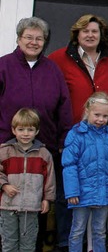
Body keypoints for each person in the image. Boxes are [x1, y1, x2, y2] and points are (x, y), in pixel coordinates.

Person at [0, 17, 73, 250]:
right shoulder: (3, 66)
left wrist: (63, 140)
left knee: (37, 209)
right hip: (7, 148)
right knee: (5, 206)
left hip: (43, 149)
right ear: (19, 39)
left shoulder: (53, 70)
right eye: (29, 37)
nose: (34, 42)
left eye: (39, 38)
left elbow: (64, 105)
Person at [62, 93, 108, 252]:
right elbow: (69, 165)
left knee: (99, 231)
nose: (100, 119)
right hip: (81, 194)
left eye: (105, 116)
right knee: (77, 230)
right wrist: (72, 192)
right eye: (97, 114)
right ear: (87, 111)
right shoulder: (76, 134)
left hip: (103, 192)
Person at [0, 108, 55, 252]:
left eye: (30, 130)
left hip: (31, 208)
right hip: (8, 207)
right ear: (14, 130)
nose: (25, 134)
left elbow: (50, 179)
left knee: (28, 244)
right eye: (21, 129)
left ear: (36, 131)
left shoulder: (44, 154)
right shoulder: (5, 151)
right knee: (9, 243)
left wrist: (47, 199)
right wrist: (4, 185)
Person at [49, 14, 108, 124]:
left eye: (94, 31)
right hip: (69, 130)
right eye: (85, 31)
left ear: (101, 35)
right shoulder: (58, 58)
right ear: (77, 35)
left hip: (102, 131)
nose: (90, 35)